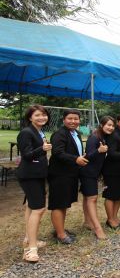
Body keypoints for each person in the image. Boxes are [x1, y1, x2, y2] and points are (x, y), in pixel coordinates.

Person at [17, 105, 52, 262]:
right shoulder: (26, 132)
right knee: (39, 208)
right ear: (30, 117)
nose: (41, 117)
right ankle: (31, 250)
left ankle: (29, 238)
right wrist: (42, 148)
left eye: (44, 115)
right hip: (29, 175)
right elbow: (26, 155)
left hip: (38, 174)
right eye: (37, 115)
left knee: (32, 207)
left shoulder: (39, 131)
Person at [48, 109, 88, 244]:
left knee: (64, 203)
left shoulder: (76, 133)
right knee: (58, 204)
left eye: (76, 119)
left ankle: (60, 229)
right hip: (60, 174)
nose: (73, 121)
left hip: (70, 174)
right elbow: (57, 152)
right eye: (70, 118)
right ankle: (60, 235)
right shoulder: (59, 134)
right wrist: (75, 159)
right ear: (64, 120)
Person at [79, 116, 115, 239]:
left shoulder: (104, 137)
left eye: (112, 125)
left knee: (87, 197)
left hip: (95, 173)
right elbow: (87, 156)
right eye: (108, 125)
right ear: (102, 125)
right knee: (92, 198)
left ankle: (87, 222)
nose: (110, 127)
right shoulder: (94, 138)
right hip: (87, 172)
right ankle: (97, 228)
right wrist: (99, 151)